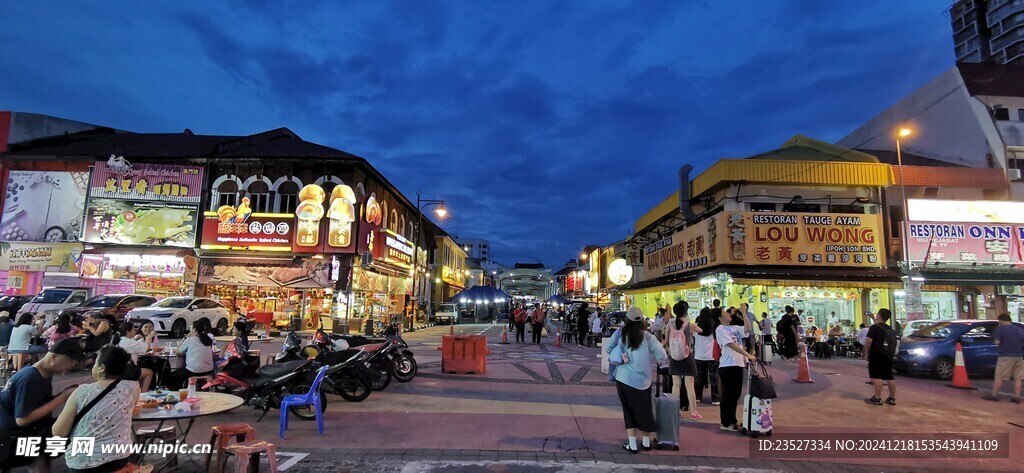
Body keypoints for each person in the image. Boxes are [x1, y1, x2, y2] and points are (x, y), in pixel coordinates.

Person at [53, 345, 141, 472]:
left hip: (84, 462)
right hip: (120, 457)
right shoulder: (133, 388)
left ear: (102, 368)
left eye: (96, 363)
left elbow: (59, 432)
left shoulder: (81, 392)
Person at [0, 339, 86, 470]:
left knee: (42, 457)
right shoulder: (30, 378)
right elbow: (22, 420)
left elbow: (37, 403)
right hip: (11, 435)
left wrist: (63, 394)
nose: (69, 369)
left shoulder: (42, 373)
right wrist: (62, 398)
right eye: (69, 363)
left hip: (20, 430)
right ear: (53, 357)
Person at [605, 307, 666, 453]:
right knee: (645, 410)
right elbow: (661, 356)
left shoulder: (621, 334)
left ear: (627, 319)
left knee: (628, 411)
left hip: (624, 378)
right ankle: (645, 442)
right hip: (644, 380)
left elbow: (609, 349)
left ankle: (632, 444)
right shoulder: (648, 337)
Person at [716, 306, 756, 431]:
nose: (728, 314)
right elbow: (731, 345)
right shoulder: (720, 329)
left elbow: (748, 329)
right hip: (728, 365)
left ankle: (732, 419)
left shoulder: (734, 328)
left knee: (735, 394)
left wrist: (744, 312)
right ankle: (726, 422)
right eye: (725, 313)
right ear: (719, 317)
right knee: (728, 395)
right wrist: (748, 355)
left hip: (738, 364)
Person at [665, 301, 701, 421]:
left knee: (676, 384)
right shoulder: (689, 324)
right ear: (685, 312)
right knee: (689, 385)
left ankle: (676, 410)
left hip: (674, 357)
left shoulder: (669, 324)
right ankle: (694, 412)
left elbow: (665, 340)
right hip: (687, 356)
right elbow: (700, 330)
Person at [985, 313, 1024, 403]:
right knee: (1018, 378)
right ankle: (1017, 397)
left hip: (1005, 356)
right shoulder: (1020, 330)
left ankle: (993, 395)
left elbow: (997, 342)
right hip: (1019, 356)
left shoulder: (1000, 329)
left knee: (999, 376)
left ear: (1001, 320)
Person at [863, 309, 898, 406]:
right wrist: (873, 318)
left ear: (879, 315)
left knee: (877, 376)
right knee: (890, 376)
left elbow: (868, 341)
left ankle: (877, 397)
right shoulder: (889, 328)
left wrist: (865, 353)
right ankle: (891, 398)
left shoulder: (874, 328)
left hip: (876, 354)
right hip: (888, 355)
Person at [171, 320, 215, 388]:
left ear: (194, 330)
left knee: (172, 376)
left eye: (191, 327)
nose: (190, 329)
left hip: (194, 371)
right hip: (209, 370)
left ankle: (178, 392)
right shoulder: (207, 340)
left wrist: (185, 338)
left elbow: (177, 353)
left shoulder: (190, 340)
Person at [115, 322, 155, 392]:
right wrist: (148, 338)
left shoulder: (121, 340)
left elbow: (138, 350)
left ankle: (138, 391)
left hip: (119, 368)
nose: (135, 331)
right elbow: (146, 348)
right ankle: (143, 393)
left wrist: (140, 339)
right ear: (128, 332)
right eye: (133, 329)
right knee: (149, 372)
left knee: (142, 370)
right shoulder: (128, 342)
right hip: (128, 369)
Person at [693, 307, 719, 405]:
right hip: (711, 356)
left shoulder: (696, 327)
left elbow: (694, 337)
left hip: (699, 355)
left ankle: (698, 396)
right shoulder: (714, 328)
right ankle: (715, 398)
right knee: (714, 378)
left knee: (699, 377)